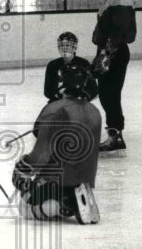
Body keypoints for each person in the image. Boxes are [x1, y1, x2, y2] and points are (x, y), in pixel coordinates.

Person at [12, 60, 102, 224]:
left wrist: (22, 169)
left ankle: (60, 203)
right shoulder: (94, 111)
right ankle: (71, 196)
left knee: (24, 207)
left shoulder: (54, 110)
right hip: (85, 177)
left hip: (56, 178)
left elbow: (41, 154)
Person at [91, 0, 136, 151]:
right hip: (107, 51)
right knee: (106, 95)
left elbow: (119, 31)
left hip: (114, 53)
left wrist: (106, 55)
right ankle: (114, 133)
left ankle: (116, 135)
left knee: (111, 95)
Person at [44, 31, 98, 102]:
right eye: (62, 45)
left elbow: (93, 88)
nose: (65, 48)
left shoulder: (83, 63)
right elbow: (48, 90)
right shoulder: (52, 65)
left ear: (74, 47)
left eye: (68, 45)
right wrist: (58, 95)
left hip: (80, 103)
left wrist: (84, 97)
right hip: (58, 102)